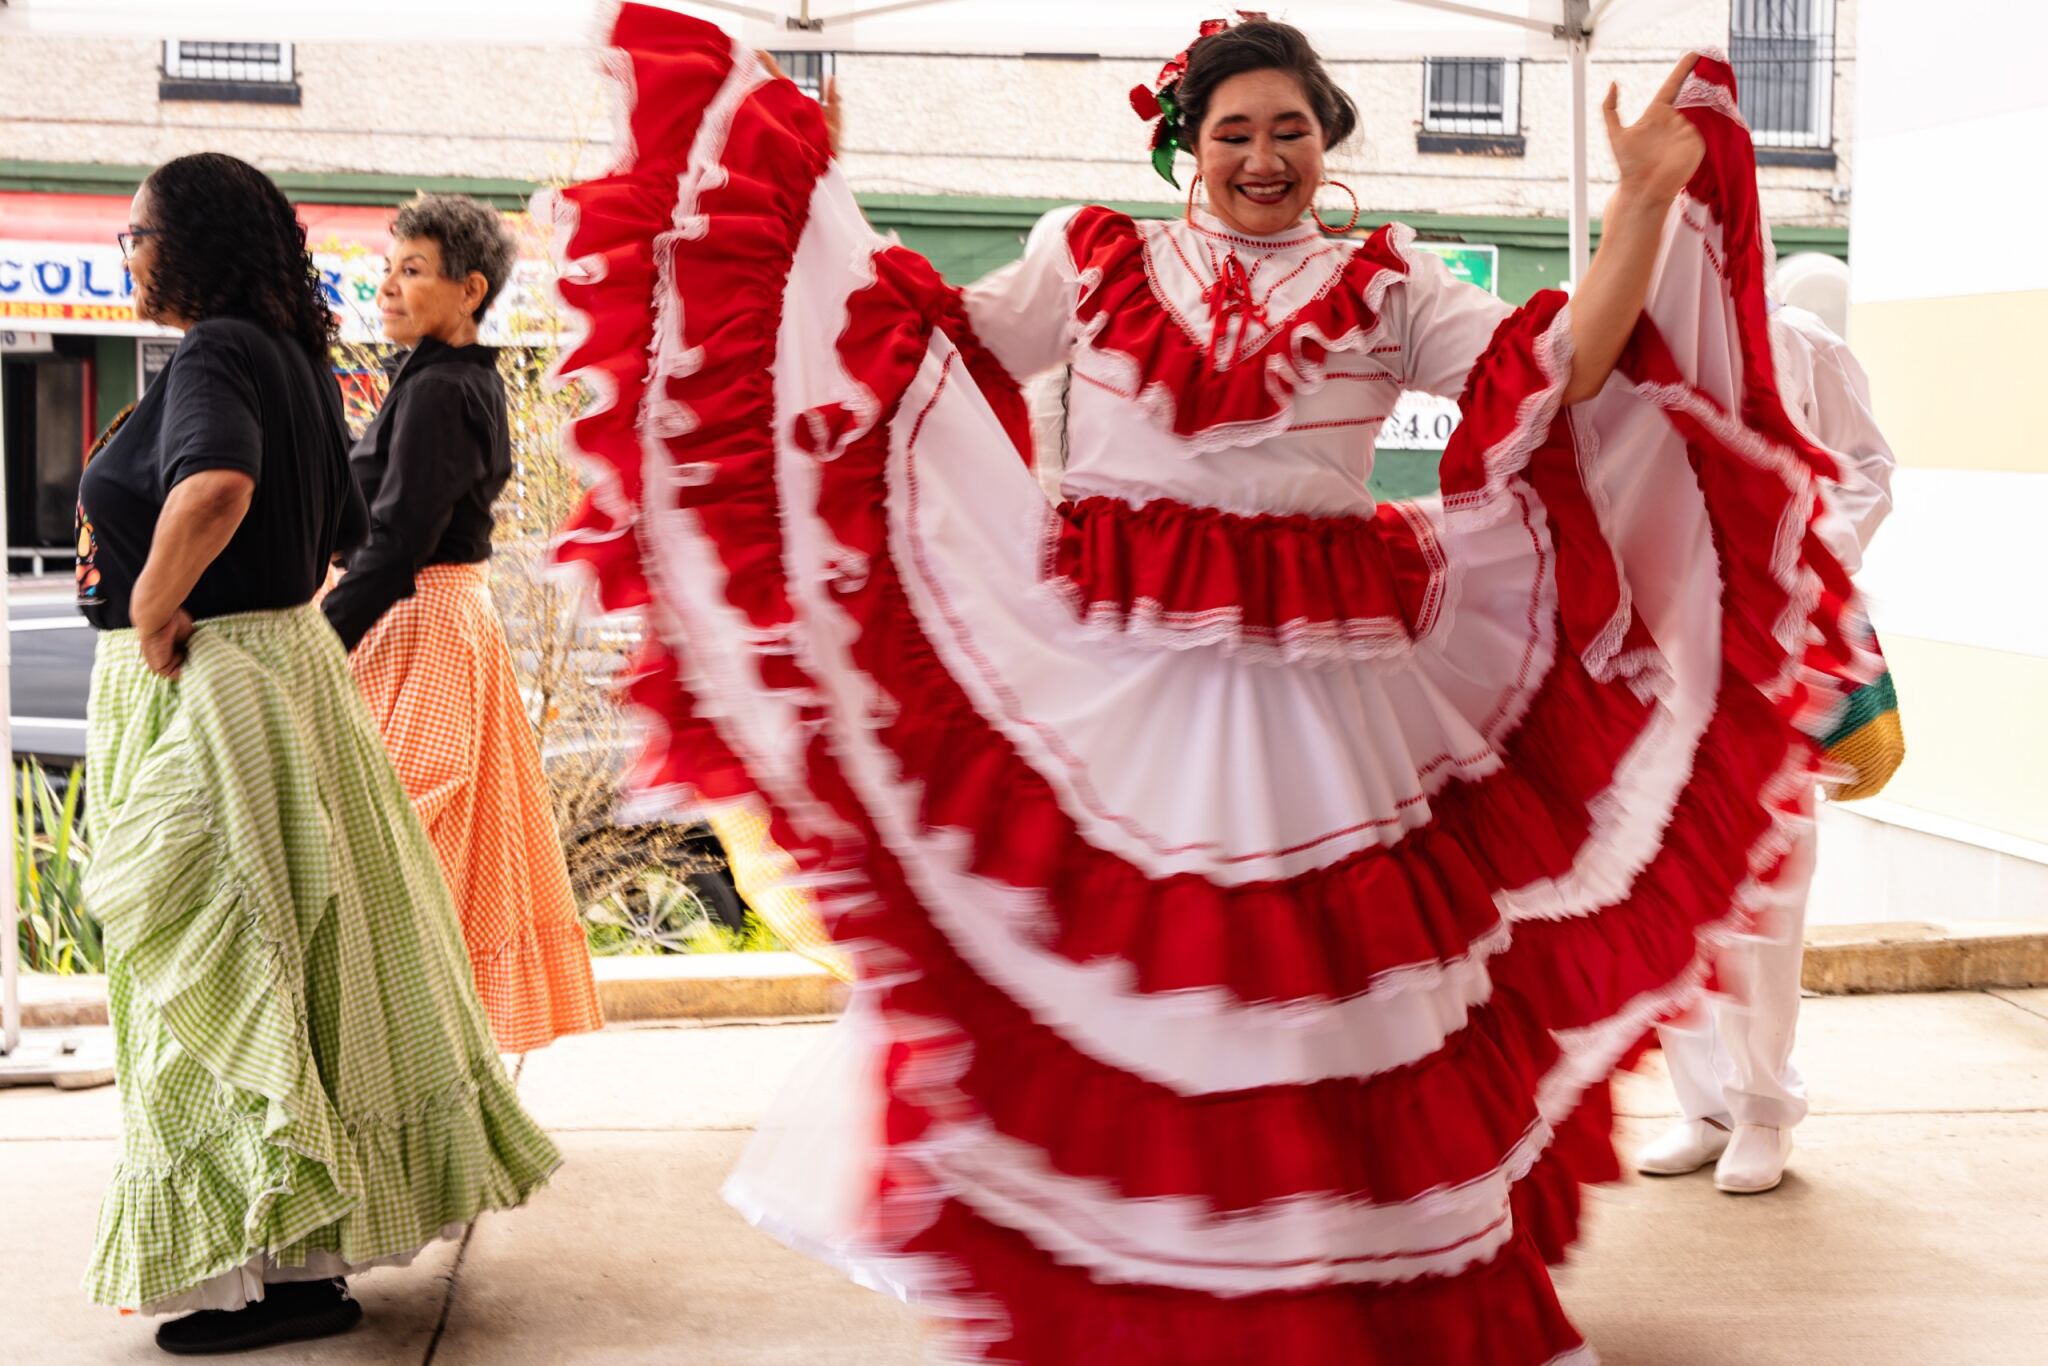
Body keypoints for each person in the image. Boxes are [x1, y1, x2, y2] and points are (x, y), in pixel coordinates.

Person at [550, 10, 1869, 1361]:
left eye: (1289, 129)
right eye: (1232, 130)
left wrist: (1645, 202)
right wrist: (797, 242)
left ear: (1328, 140)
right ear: (1186, 143)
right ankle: (1139, 1293)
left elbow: (1563, 370)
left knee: (1336, 998)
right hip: (1116, 690)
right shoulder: (1090, 254)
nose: (1261, 156)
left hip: (1333, 702)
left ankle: (1330, 1288)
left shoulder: (1391, 284)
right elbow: (937, 353)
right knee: (1123, 980)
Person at [76, 152, 559, 1353]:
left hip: (214, 681)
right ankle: (297, 1262)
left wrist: (150, 606)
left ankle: (261, 1275)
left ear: (186, 241)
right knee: (294, 966)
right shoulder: (289, 353)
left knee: (216, 971)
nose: (123, 253)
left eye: (134, 233)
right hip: (281, 676)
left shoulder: (213, 353)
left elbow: (216, 488)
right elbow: (343, 524)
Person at [322, 193, 604, 1054]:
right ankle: (428, 1062)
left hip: (424, 623)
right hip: (433, 620)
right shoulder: (440, 378)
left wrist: (315, 644)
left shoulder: (446, 388)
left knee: (405, 845)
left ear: (470, 288)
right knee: (426, 848)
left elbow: (400, 539)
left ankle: (411, 1060)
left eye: (413, 271)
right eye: (388, 269)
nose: (390, 287)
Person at [1636, 299, 1897, 1193]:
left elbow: (1869, 468)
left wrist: (1793, 558)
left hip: (1775, 639)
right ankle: (1702, 1105)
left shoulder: (1800, 340)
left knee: (1770, 875)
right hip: (1657, 643)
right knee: (1668, 881)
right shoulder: (1630, 327)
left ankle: (1762, 1109)